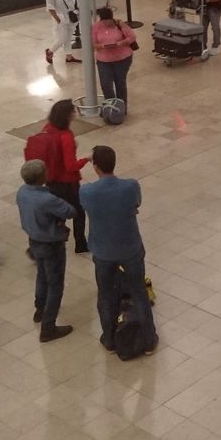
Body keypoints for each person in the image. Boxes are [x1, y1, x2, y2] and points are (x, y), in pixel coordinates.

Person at [81, 145, 157, 356]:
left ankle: (109, 340)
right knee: (139, 292)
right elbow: (136, 203)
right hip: (130, 247)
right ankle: (149, 341)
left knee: (105, 295)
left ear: (95, 167)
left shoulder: (86, 191)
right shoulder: (130, 186)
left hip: (103, 250)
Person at [15, 160, 75, 342]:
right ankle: (48, 327)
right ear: (42, 177)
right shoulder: (47, 199)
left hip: (34, 240)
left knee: (42, 275)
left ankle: (39, 309)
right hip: (51, 244)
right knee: (55, 284)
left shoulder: (22, 192)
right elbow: (70, 211)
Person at [24, 99, 90, 253]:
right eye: (73, 111)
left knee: (55, 214)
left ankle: (39, 245)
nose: (75, 113)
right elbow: (71, 166)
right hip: (68, 183)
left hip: (50, 180)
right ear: (67, 116)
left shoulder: (48, 128)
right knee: (78, 212)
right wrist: (87, 158)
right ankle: (81, 244)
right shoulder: (66, 136)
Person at [90, 7, 138, 107]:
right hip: (103, 60)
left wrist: (120, 43)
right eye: (104, 21)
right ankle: (111, 106)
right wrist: (102, 46)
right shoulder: (96, 27)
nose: (106, 24)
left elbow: (132, 37)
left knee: (120, 83)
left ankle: (121, 107)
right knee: (106, 84)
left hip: (122, 59)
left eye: (108, 21)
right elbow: (92, 44)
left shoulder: (119, 24)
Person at [45, 0, 78, 65]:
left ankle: (69, 56)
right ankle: (50, 51)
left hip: (69, 16)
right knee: (62, 38)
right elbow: (50, 7)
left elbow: (70, 1)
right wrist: (57, 19)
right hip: (60, 17)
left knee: (68, 37)